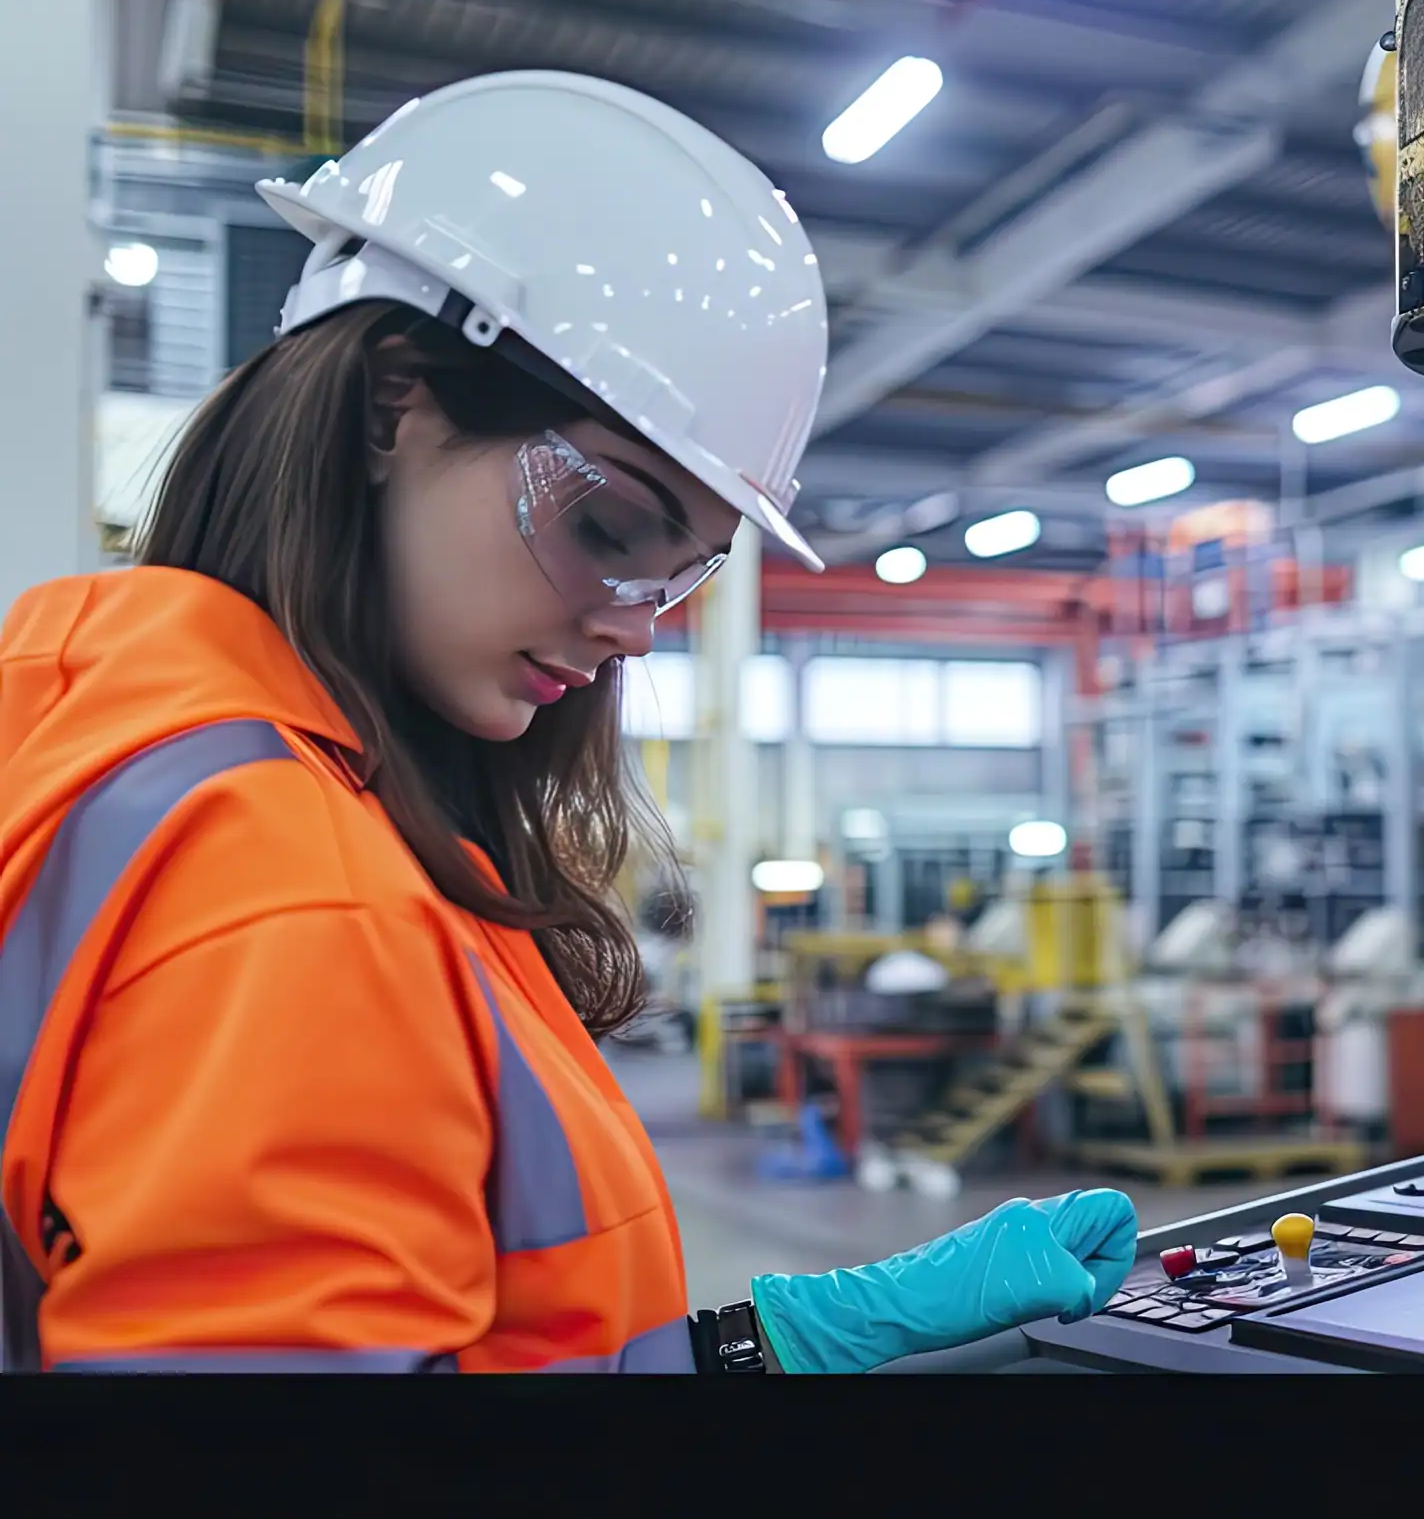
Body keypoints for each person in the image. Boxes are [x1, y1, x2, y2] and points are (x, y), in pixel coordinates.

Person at [0, 70, 1137, 1374]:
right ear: (389, 403)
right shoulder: (299, 889)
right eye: (606, 525)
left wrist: (769, 1343)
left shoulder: (99, 705)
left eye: (678, 574)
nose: (637, 631)